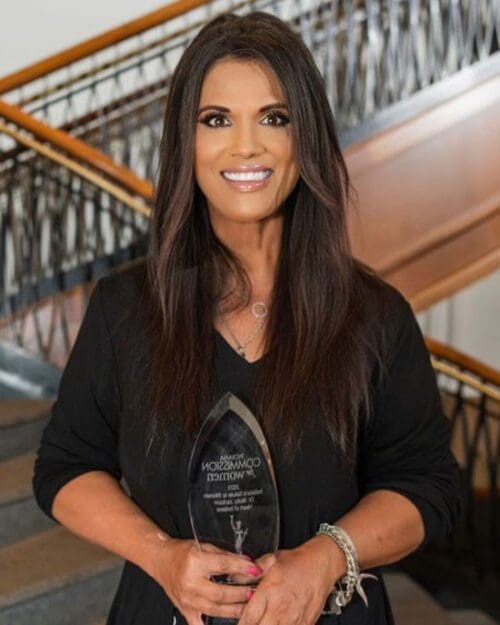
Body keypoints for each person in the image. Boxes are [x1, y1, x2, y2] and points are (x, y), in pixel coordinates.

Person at [33, 11, 460, 625]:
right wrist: (161, 557)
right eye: (216, 120)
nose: (245, 146)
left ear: (304, 138)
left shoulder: (375, 317)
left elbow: (428, 486)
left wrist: (325, 558)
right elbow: (65, 468)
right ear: (188, 142)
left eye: (273, 117)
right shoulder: (123, 310)